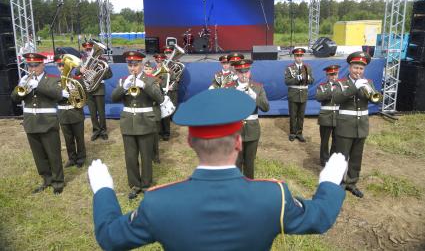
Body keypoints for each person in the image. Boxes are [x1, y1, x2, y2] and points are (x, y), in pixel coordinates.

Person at [88, 88, 348, 251]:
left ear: (190, 143)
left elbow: (110, 238)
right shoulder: (274, 196)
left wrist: (103, 191)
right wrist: (328, 182)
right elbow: (321, 217)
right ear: (238, 142)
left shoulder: (157, 201)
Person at [111, 51, 165, 199]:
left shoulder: (151, 80)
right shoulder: (123, 80)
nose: (133, 68)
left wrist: (144, 85)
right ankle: (134, 185)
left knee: (146, 156)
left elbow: (159, 98)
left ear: (141, 64)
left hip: (145, 121)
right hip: (128, 122)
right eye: (130, 65)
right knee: (130, 157)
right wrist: (123, 87)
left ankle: (146, 184)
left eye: (135, 64)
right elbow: (114, 97)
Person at [11, 53, 65, 194]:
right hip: (31, 122)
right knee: (39, 155)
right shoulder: (26, 80)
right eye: (30, 65)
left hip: (47, 122)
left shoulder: (53, 79)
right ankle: (46, 179)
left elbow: (58, 95)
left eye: (35, 65)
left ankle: (58, 183)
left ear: (43, 65)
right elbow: (14, 98)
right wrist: (20, 87)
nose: (32, 68)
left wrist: (39, 86)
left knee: (53, 154)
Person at [334, 51, 381, 198]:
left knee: (356, 156)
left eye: (361, 69)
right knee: (342, 156)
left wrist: (370, 91)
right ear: (349, 68)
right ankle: (339, 183)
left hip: (361, 126)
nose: (358, 71)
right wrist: (354, 87)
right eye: (355, 68)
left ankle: (352, 182)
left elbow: (376, 100)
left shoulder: (368, 82)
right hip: (345, 126)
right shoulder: (340, 83)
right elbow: (336, 99)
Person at [230, 57, 269, 179]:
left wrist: (253, 96)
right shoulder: (229, 87)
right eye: (240, 72)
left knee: (249, 163)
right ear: (236, 72)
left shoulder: (258, 87)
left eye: (246, 71)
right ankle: (236, 187)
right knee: (236, 163)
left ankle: (249, 187)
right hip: (235, 130)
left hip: (252, 130)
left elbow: (266, 107)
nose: (243, 74)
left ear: (250, 72)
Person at [55, 54, 87, 168]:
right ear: (57, 66)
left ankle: (81, 158)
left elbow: (84, 97)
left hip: (76, 112)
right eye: (59, 65)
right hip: (63, 114)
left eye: (64, 65)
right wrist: (60, 94)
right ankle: (72, 158)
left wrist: (74, 93)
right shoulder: (55, 82)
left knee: (79, 138)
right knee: (68, 139)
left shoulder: (77, 80)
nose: (62, 67)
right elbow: (52, 97)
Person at [80, 41, 113, 141]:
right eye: (87, 50)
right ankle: (96, 130)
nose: (89, 51)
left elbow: (110, 74)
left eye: (91, 49)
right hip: (88, 89)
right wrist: (80, 70)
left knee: (101, 112)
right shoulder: (83, 60)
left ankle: (103, 131)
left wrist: (98, 74)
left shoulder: (102, 60)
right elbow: (77, 72)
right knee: (92, 112)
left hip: (99, 88)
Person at [284, 48, 314, 142]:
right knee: (293, 115)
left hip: (303, 94)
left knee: (301, 115)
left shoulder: (307, 67)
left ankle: (299, 133)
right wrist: (297, 78)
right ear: (294, 56)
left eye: (301, 56)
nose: (299, 58)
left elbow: (312, 81)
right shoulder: (289, 68)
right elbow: (287, 81)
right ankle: (293, 133)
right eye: (297, 56)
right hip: (293, 94)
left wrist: (309, 78)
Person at [316, 65, 340, 167]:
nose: (333, 77)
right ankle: (324, 160)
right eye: (331, 74)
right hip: (326, 117)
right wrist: (331, 90)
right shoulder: (321, 86)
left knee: (336, 140)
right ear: (327, 75)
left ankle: (332, 159)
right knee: (324, 141)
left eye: (335, 74)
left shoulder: (342, 85)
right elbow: (319, 97)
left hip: (339, 117)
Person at [153, 53, 172, 141]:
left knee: (165, 114)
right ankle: (159, 132)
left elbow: (175, 79)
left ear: (163, 61)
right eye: (157, 61)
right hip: (156, 94)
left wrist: (170, 85)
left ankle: (166, 133)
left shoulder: (167, 71)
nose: (159, 63)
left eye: (161, 61)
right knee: (158, 113)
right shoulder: (152, 71)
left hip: (165, 93)